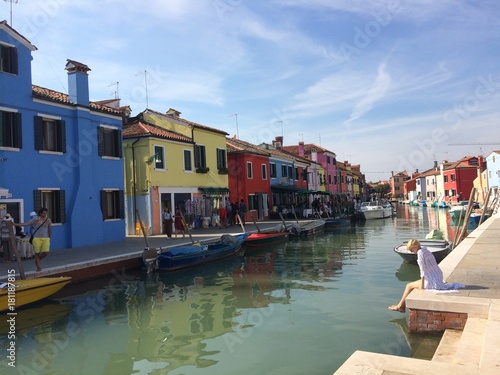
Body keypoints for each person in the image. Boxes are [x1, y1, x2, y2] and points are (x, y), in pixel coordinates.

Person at [388, 239, 464, 313]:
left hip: (432, 281)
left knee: (408, 286)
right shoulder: (425, 250)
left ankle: (400, 306)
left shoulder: (420, 253)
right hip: (437, 277)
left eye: (411, 250)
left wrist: (421, 285)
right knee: (411, 285)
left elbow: (422, 270)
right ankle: (401, 306)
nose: (412, 252)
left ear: (415, 247)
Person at [14, 208, 52, 272]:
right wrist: (15, 224)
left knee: (46, 252)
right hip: (36, 238)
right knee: (37, 253)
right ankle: (38, 267)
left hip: (46, 238)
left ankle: (38, 260)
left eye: (46, 213)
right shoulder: (35, 220)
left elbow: (50, 229)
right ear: (40, 213)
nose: (45, 214)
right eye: (44, 213)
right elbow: (26, 224)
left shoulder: (48, 220)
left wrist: (49, 237)